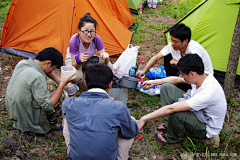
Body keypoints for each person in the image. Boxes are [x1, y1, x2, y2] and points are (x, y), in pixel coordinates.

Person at [138, 54, 227, 147]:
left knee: (176, 112)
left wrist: (143, 118)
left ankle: (172, 138)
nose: (182, 76)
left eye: (183, 74)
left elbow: (171, 108)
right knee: (166, 88)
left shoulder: (207, 93)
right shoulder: (201, 76)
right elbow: (176, 80)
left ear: (192, 74)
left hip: (205, 126)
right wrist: (152, 82)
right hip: (197, 111)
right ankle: (170, 125)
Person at [62, 63, 139, 159]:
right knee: (131, 122)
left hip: (77, 157)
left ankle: (73, 153)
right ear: (110, 84)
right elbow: (131, 132)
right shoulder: (118, 107)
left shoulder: (69, 103)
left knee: (67, 118)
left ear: (85, 83)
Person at [5, 47, 76, 134]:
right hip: (28, 120)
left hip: (15, 113)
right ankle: (52, 124)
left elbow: (47, 71)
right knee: (61, 94)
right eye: (53, 68)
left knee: (49, 93)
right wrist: (61, 85)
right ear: (48, 63)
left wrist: (61, 81)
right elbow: (49, 105)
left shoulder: (23, 63)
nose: (52, 71)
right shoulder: (37, 77)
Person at [136, 23, 213, 77]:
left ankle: (175, 85)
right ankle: (170, 80)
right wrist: (143, 71)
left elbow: (192, 69)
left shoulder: (194, 50)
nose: (172, 43)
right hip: (185, 72)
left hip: (199, 77)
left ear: (185, 41)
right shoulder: (172, 46)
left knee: (179, 73)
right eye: (171, 40)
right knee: (167, 56)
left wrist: (177, 63)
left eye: (175, 41)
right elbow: (156, 57)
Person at [65, 13, 113, 83]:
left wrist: (106, 58)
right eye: (85, 31)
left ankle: (87, 70)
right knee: (76, 77)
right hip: (75, 61)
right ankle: (70, 74)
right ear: (79, 30)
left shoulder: (97, 39)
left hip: (89, 59)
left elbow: (104, 63)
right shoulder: (74, 40)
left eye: (92, 31)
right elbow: (75, 65)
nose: (89, 35)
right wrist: (79, 60)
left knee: (109, 67)